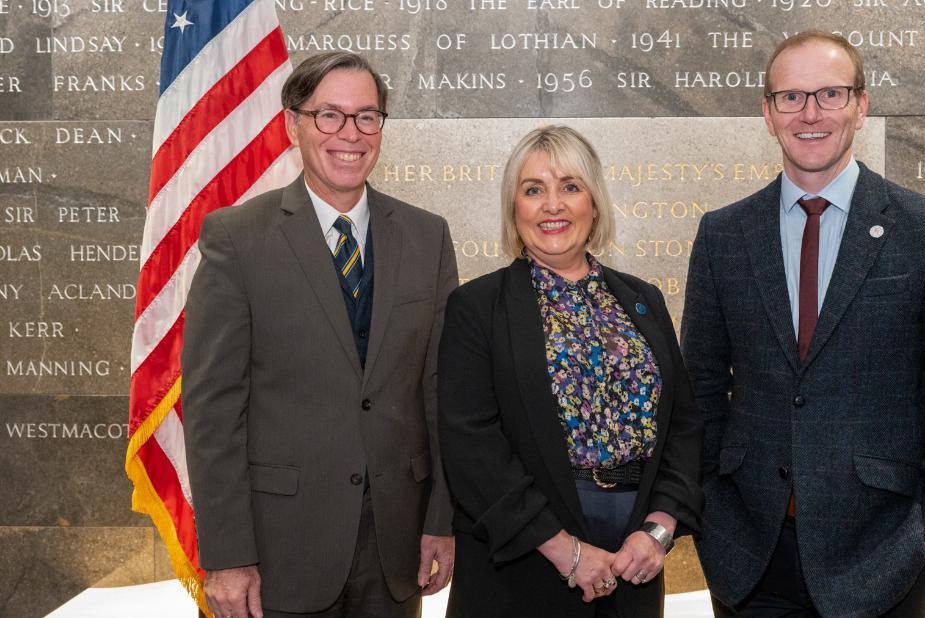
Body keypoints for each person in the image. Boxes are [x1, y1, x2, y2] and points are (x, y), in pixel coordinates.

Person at [681, 31, 925, 617]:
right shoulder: (723, 235)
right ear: (768, 114)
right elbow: (697, 394)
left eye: (830, 93)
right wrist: (711, 520)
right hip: (748, 559)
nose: (811, 113)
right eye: (791, 98)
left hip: (884, 559)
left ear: (861, 104)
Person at [181, 51, 457, 618]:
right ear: (293, 125)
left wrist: (441, 521)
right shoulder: (237, 239)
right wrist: (228, 556)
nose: (349, 134)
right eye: (328, 115)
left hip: (396, 547)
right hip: (280, 551)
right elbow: (213, 409)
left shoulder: (428, 238)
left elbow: (440, 392)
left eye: (366, 116)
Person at [437, 125, 703, 618]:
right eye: (533, 189)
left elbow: (683, 427)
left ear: (594, 203)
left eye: (570, 187)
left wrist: (659, 529)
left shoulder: (642, 300)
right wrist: (565, 550)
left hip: (634, 558)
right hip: (525, 559)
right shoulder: (477, 307)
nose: (552, 205)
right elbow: (471, 447)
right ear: (514, 209)